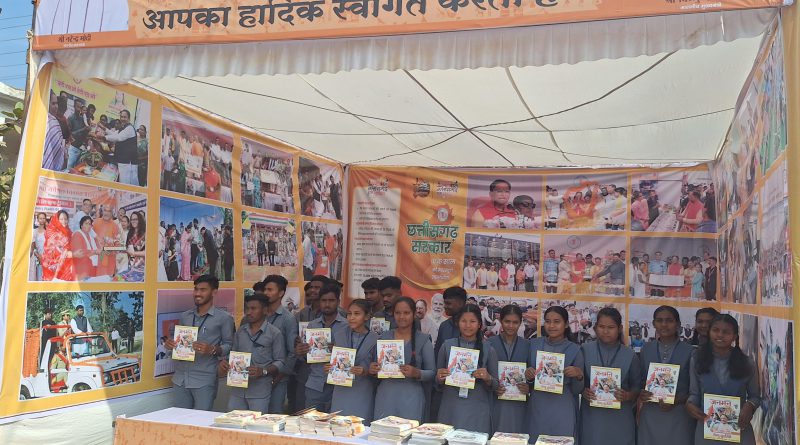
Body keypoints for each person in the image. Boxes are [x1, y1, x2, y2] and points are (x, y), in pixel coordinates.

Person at [685, 315, 760, 445]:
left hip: (738, 429)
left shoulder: (747, 363)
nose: (720, 335)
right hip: (707, 430)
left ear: (735, 336)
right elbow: (694, 394)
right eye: (716, 330)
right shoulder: (697, 360)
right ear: (709, 332)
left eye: (726, 332)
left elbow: (755, 397)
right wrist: (690, 404)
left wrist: (750, 406)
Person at [164, 275, 235, 410]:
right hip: (180, 378)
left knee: (201, 419)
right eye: (196, 289)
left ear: (214, 292)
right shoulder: (185, 316)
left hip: (204, 379)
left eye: (203, 290)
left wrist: (213, 349)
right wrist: (170, 344)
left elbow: (230, 345)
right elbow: (178, 342)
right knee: (180, 419)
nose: (197, 293)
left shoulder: (224, 318)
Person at [580, 307, 641, 445]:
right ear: (595, 328)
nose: (605, 331)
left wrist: (628, 395)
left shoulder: (630, 355)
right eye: (601, 327)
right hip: (592, 417)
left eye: (611, 327)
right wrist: (583, 391)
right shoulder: (584, 350)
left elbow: (637, 387)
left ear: (619, 328)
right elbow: (578, 382)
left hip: (620, 418)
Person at [370, 297, 435, 423]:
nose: (401, 317)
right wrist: (373, 369)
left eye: (406, 313)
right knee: (383, 432)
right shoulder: (384, 337)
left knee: (408, 433)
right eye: (398, 313)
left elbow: (432, 372)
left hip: (411, 397)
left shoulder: (423, 340)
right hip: (386, 396)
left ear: (414, 314)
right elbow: (375, 366)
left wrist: (417, 373)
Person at [637, 306, 695, 445]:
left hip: (678, 414)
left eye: (669, 320)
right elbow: (641, 381)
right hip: (650, 413)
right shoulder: (646, 349)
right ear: (653, 324)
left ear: (678, 324)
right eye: (659, 320)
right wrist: (641, 392)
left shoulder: (690, 351)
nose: (664, 324)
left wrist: (677, 400)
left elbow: (695, 390)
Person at [435, 304, 497, 434]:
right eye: (464, 321)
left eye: (472, 321)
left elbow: (496, 386)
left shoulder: (489, 349)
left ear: (479, 324)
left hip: (477, 411)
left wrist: (488, 378)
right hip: (451, 408)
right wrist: (439, 378)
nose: (468, 325)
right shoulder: (447, 346)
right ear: (458, 323)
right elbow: (437, 385)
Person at [219, 293, 285, 413]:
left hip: (259, 391)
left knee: (256, 422)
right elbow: (233, 354)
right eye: (247, 308)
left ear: (265, 310)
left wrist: (263, 371)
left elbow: (280, 362)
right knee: (233, 422)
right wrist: (225, 362)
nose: (249, 312)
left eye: (253, 308)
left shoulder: (274, 333)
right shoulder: (241, 332)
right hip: (238, 389)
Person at [525, 305, 584, 441]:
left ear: (566, 324)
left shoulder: (575, 349)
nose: (551, 326)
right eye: (548, 321)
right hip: (538, 405)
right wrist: (528, 376)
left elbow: (577, 390)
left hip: (562, 407)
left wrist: (579, 375)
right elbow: (528, 382)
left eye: (557, 322)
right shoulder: (533, 345)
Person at [295, 283, 347, 411]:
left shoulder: (347, 325)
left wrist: (338, 351)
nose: (327, 304)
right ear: (319, 302)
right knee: (311, 421)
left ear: (338, 301)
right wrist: (302, 351)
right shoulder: (312, 325)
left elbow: (354, 354)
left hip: (339, 384)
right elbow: (307, 358)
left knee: (336, 422)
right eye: (324, 300)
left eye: (331, 300)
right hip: (315, 384)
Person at [327, 299, 378, 423]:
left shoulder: (375, 339)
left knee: (359, 426)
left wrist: (366, 371)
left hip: (362, 390)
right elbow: (336, 361)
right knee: (338, 425)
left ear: (367, 316)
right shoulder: (339, 335)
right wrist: (330, 367)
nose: (352, 317)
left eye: (357, 314)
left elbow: (378, 369)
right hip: (340, 390)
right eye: (349, 314)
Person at [487, 305, 530, 434]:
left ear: (520, 323)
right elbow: (484, 372)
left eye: (515, 322)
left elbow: (532, 375)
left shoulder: (528, 345)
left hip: (519, 403)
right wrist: (492, 385)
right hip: (495, 401)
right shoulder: (489, 343)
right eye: (507, 321)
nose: (511, 326)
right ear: (500, 321)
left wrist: (528, 387)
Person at [261, 275, 299, 414]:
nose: (266, 293)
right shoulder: (259, 314)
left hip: (278, 377)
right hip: (257, 375)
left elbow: (292, 352)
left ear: (281, 293)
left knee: (274, 415)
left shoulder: (288, 318)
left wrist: (279, 376)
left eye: (270, 290)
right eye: (265, 289)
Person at [41, 210, 75, 281]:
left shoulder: (69, 232)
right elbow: (52, 249)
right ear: (57, 220)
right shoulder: (52, 232)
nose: (64, 221)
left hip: (67, 266)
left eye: (65, 219)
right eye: (61, 219)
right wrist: (68, 253)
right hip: (53, 266)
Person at [434, 286, 467, 357]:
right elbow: (437, 353)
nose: (445, 306)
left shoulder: (471, 327)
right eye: (445, 303)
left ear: (461, 303)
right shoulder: (444, 325)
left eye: (448, 303)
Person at [93, 205, 120, 278]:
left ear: (112, 213)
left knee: (107, 283)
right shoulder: (95, 223)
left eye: (109, 211)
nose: (107, 213)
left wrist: (106, 249)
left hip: (109, 263)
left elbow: (118, 247)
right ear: (102, 211)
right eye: (105, 210)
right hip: (96, 261)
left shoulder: (115, 226)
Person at [43, 92, 67, 171]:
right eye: (53, 103)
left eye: (57, 103)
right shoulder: (51, 121)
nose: (56, 106)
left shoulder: (56, 120)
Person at [71, 215, 99, 280]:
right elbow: (80, 252)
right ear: (81, 225)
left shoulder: (91, 236)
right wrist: (94, 252)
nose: (88, 226)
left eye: (89, 224)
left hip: (92, 268)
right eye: (86, 223)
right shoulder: (77, 234)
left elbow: (98, 249)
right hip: (81, 269)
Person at [121, 211, 146, 282]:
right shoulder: (130, 233)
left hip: (142, 268)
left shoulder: (145, 233)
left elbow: (148, 252)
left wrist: (134, 253)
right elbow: (128, 248)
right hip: (130, 266)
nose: (133, 221)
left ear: (140, 220)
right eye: (132, 219)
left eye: (135, 219)